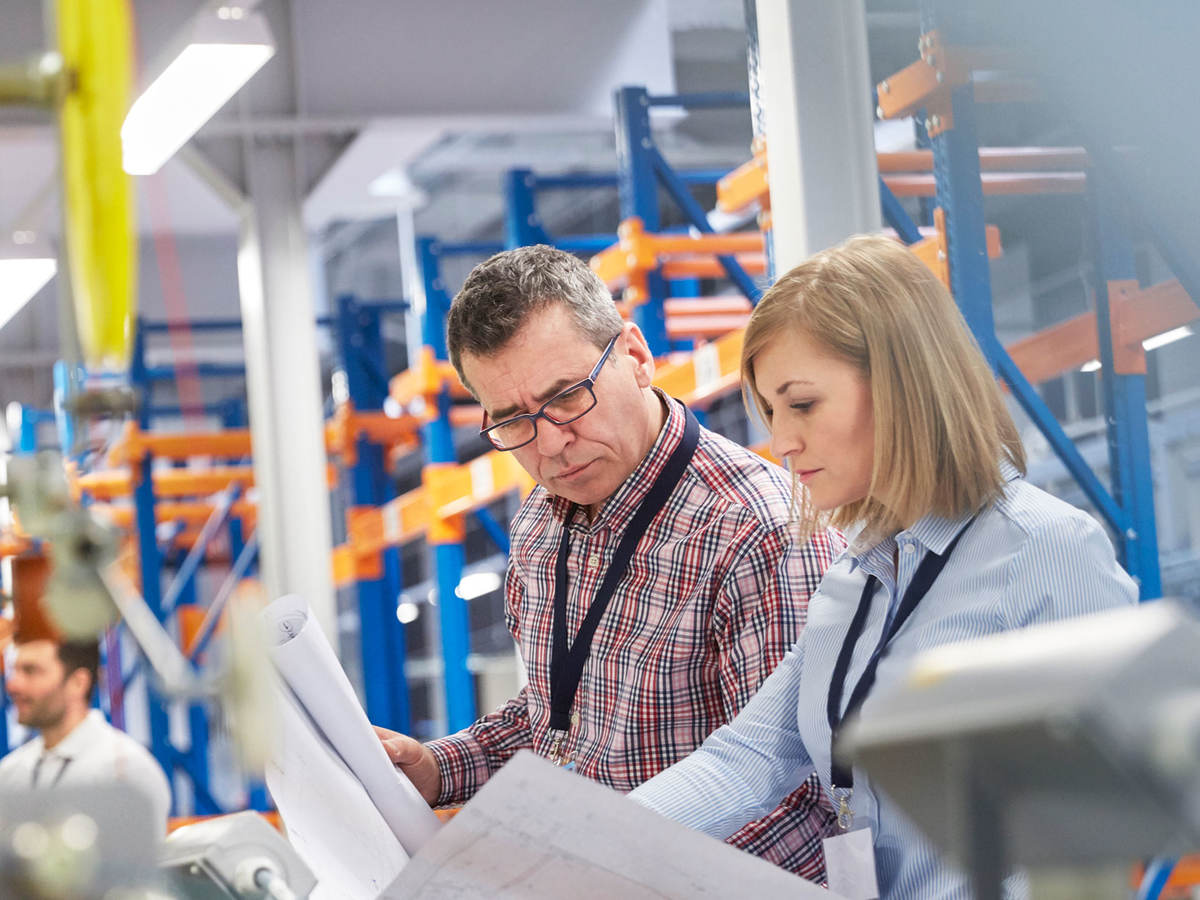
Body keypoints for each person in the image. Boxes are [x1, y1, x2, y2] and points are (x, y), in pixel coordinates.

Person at [628, 234, 1138, 898]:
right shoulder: (853, 582)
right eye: (772, 411)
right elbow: (747, 759)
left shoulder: (1045, 551)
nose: (781, 441)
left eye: (802, 403)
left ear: (902, 385)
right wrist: (567, 837)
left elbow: (1093, 843)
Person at [376, 244, 845, 878]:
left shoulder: (758, 533)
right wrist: (436, 769)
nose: (550, 444)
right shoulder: (542, 524)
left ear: (636, 355)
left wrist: (604, 868)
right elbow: (553, 721)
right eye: (513, 421)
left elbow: (803, 799)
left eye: (567, 396)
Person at [0, 637, 173, 837]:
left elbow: (141, 866)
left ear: (77, 683)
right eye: (15, 671)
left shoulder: (124, 771)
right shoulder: (9, 772)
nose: (13, 685)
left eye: (31, 671)